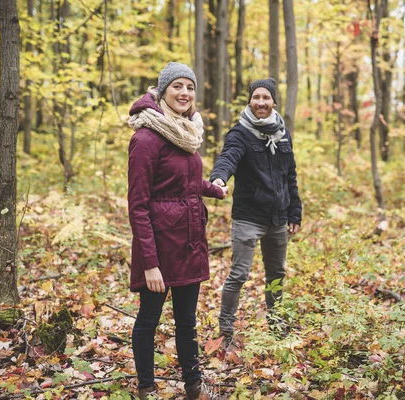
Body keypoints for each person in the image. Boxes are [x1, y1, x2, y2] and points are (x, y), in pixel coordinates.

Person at [127, 62, 228, 400]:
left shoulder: (186, 131)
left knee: (187, 321)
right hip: (158, 246)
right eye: (178, 87)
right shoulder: (146, 137)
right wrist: (150, 263)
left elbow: (181, 182)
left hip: (188, 241)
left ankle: (194, 387)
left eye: (190, 87)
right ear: (163, 91)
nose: (185, 93)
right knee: (148, 319)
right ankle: (146, 388)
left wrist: (211, 188)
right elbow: (138, 205)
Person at [210, 78, 302, 347]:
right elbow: (228, 157)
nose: (261, 102)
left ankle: (275, 324)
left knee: (276, 275)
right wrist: (219, 179)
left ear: (273, 101)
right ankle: (226, 330)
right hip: (248, 217)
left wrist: (294, 212)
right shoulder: (240, 133)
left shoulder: (283, 133)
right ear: (250, 101)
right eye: (256, 97)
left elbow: (290, 176)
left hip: (278, 218)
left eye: (266, 97)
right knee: (239, 275)